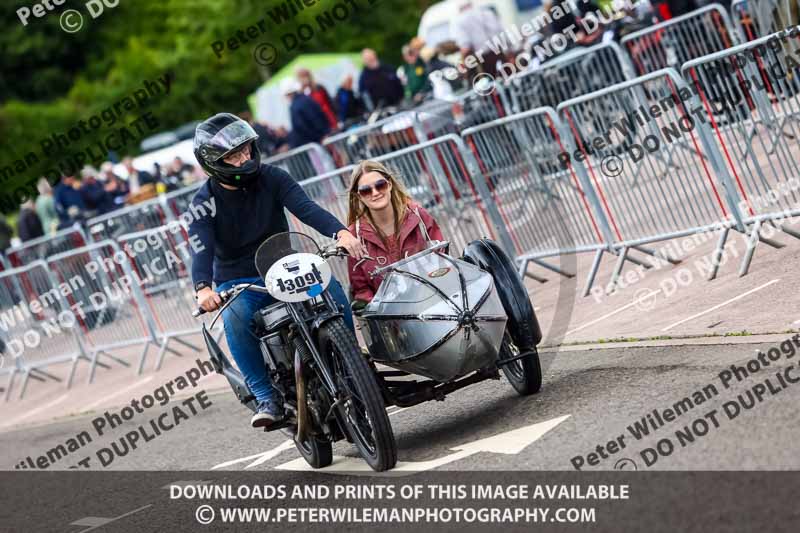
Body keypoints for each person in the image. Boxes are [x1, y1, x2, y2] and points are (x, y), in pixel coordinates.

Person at [189, 113, 365, 428]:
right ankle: (265, 396)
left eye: (245, 149)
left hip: (286, 265)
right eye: (233, 155)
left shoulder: (273, 177)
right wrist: (203, 288)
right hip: (240, 282)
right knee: (236, 318)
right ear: (214, 162)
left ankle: (355, 364)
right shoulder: (204, 202)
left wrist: (341, 232)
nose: (244, 157)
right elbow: (200, 247)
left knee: (332, 290)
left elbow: (306, 208)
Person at [346, 161, 444, 307]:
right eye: (366, 190)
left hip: (433, 302)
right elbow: (361, 290)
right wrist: (376, 307)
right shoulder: (354, 235)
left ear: (390, 184)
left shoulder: (418, 214)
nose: (375, 193)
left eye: (380, 185)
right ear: (359, 196)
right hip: (390, 317)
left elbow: (442, 257)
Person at [452, 1, 505, 78]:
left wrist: (463, 64)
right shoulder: (486, 13)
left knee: (491, 85)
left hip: (483, 60)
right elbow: (501, 33)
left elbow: (465, 47)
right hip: (499, 52)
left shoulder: (459, 21)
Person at [282, 78, 331, 148]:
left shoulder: (294, 107)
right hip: (323, 136)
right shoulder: (307, 98)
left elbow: (301, 127)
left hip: (314, 142)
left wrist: (318, 137)